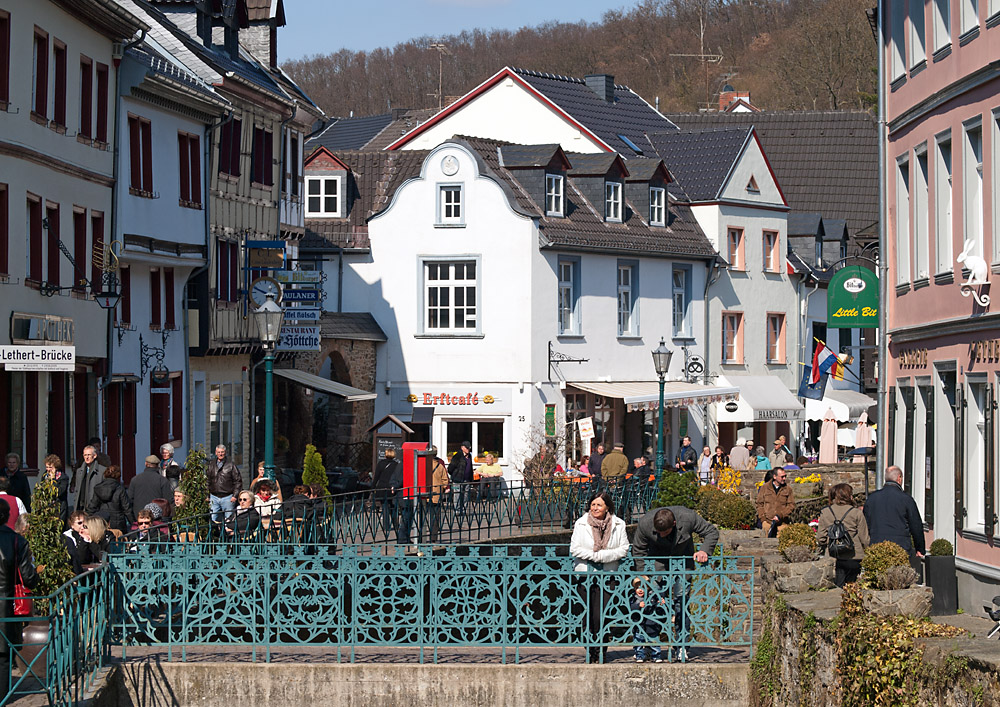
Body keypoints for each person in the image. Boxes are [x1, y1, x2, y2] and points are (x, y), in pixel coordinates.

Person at [631, 506, 719, 662]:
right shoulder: (645, 523)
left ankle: (682, 646)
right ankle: (652, 646)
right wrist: (643, 573)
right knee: (653, 603)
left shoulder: (688, 517)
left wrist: (704, 550)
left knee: (681, 603)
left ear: (674, 524)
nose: (661, 535)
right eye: (658, 533)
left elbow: (711, 532)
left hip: (683, 564)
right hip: (656, 565)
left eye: (665, 533)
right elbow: (638, 549)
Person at [570, 491, 629, 663]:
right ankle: (590, 651)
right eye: (593, 504)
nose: (595, 508)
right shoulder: (581, 523)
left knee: (602, 615)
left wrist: (603, 557)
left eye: (599, 505)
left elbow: (623, 549)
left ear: (607, 508)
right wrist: (593, 555)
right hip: (585, 575)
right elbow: (575, 549)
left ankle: (601, 650)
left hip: (608, 575)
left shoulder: (619, 524)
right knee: (587, 615)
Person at [0, 498, 38, 697]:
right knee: (4, 655)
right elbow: (29, 577)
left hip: (6, 602)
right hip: (7, 604)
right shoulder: (17, 541)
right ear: (7, 517)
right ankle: (3, 697)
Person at [863, 466, 925, 561]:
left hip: (876, 546)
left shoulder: (872, 499)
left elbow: (865, 524)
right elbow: (916, 525)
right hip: (900, 547)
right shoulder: (906, 499)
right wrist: (920, 548)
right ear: (899, 478)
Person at [817, 483, 870, 587]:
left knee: (838, 586)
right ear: (848, 496)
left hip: (834, 554)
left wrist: (825, 544)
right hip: (854, 555)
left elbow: (821, 537)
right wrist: (868, 551)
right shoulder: (856, 513)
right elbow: (864, 538)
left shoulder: (826, 512)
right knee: (852, 586)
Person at [86, 465, 135, 534]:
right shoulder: (120, 489)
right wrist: (133, 523)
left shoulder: (98, 488)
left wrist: (86, 521)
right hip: (118, 522)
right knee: (118, 542)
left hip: (102, 521)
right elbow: (127, 508)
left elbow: (92, 506)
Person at [630, 577, 666, 663]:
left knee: (653, 640)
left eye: (643, 587)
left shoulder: (652, 596)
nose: (640, 590)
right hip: (639, 624)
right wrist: (638, 605)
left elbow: (657, 608)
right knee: (638, 640)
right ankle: (639, 655)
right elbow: (631, 607)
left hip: (651, 624)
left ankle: (656, 655)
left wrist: (660, 603)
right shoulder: (634, 598)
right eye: (638, 588)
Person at [206, 444, 242, 524]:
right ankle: (215, 536)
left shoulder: (231, 465)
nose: (220, 454)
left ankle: (228, 536)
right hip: (214, 497)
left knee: (229, 521)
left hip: (228, 497)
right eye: (219, 452)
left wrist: (235, 496)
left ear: (225, 453)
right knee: (212, 519)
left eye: (222, 452)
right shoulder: (211, 465)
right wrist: (207, 495)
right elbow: (207, 481)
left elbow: (238, 481)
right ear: (216, 453)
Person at [373, 449, 403, 539]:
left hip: (382, 487)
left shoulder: (381, 464)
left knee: (385, 506)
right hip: (391, 487)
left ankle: (386, 526)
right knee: (393, 506)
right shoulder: (396, 465)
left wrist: (373, 487)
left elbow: (376, 476)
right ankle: (396, 524)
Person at [755, 466, 794, 536]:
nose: (784, 478)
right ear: (775, 477)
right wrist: (763, 519)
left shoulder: (788, 489)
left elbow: (791, 506)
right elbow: (759, 504)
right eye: (782, 477)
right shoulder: (765, 488)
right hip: (767, 522)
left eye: (785, 476)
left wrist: (780, 515)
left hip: (782, 524)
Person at [73, 445, 106, 513]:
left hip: (95, 508)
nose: (87, 457)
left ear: (95, 456)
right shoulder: (79, 471)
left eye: (89, 455)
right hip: (81, 507)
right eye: (85, 455)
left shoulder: (102, 471)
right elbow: (77, 490)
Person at [43, 454, 70, 525]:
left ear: (56, 467)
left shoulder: (63, 478)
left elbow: (59, 492)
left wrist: (53, 479)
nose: (48, 470)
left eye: (50, 467)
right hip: (48, 507)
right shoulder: (45, 476)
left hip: (59, 508)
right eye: (47, 467)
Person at [429, 456, 450, 543]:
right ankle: (433, 537)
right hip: (436, 494)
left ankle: (421, 536)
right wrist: (443, 487)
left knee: (423, 516)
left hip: (424, 493)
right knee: (435, 516)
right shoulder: (440, 466)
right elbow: (445, 480)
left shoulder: (424, 465)